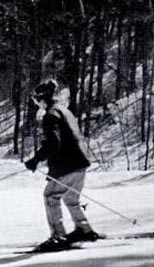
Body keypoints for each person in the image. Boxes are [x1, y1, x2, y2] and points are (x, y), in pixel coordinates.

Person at [24, 79, 101, 251]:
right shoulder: (65, 111)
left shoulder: (50, 115)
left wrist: (35, 160)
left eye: (35, 100)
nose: (36, 103)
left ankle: (58, 236)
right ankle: (84, 229)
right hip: (80, 162)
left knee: (51, 196)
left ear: (41, 98)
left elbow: (53, 143)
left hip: (67, 165)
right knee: (71, 198)